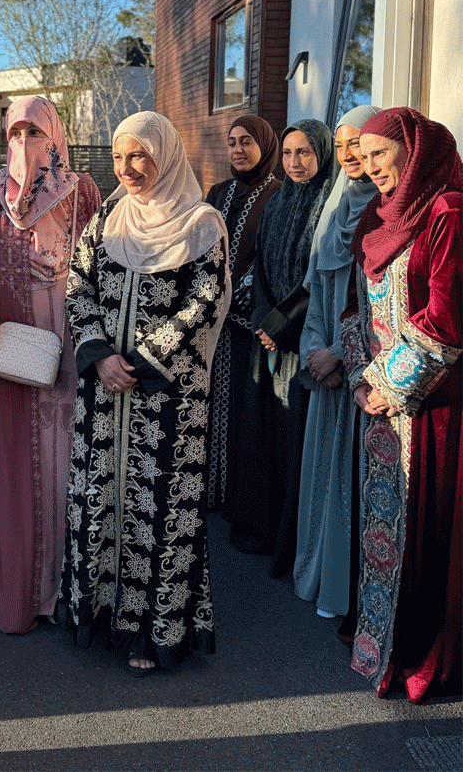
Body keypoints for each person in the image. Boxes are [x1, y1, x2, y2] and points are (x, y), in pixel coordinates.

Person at [60, 111, 230, 675]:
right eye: (117, 157)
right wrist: (98, 356)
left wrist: (138, 360)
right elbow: (78, 285)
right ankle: (102, 617)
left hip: (169, 399)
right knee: (99, 502)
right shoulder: (107, 218)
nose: (127, 168)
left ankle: (154, 632)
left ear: (165, 156)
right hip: (103, 396)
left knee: (159, 512)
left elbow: (203, 304)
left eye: (138, 156)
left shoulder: (203, 223)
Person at [341, 107, 462, 703]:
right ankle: (382, 644)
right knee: (386, 531)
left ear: (412, 152)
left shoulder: (448, 213)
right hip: (382, 405)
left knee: (428, 534)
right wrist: (360, 377)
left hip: (434, 411)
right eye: (361, 157)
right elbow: (353, 307)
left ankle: (421, 656)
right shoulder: (376, 214)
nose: (369, 168)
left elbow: (445, 321)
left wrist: (389, 383)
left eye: (379, 155)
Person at [0, 96, 101, 634]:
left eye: (35, 130)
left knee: (67, 462)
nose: (24, 141)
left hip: (70, 344)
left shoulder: (83, 190)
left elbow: (98, 265)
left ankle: (70, 589)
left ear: (55, 134)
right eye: (15, 131)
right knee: (16, 468)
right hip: (13, 353)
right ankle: (23, 590)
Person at [230, 119, 336, 577]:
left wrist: (283, 327)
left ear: (322, 156)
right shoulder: (278, 203)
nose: (294, 163)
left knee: (294, 441)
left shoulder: (328, 206)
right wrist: (263, 321)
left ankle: (290, 544)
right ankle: (261, 529)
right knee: (264, 436)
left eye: (305, 153)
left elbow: (317, 282)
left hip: (301, 342)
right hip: (267, 337)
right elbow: (262, 271)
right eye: (289, 153)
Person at [293, 106, 379, 618]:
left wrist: (343, 358)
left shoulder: (392, 211)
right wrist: (315, 351)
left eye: (362, 147)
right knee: (326, 476)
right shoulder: (338, 207)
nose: (350, 157)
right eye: (344, 146)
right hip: (329, 368)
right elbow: (321, 290)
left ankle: (353, 593)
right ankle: (323, 575)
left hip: (365, 376)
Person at [204, 114, 282, 514]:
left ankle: (239, 501)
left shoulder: (278, 195)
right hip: (211, 327)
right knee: (210, 408)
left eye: (247, 142)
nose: (238, 149)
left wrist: (235, 295)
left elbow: (275, 259)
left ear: (264, 145)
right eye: (232, 142)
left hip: (251, 328)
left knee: (245, 417)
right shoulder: (217, 193)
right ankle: (209, 493)